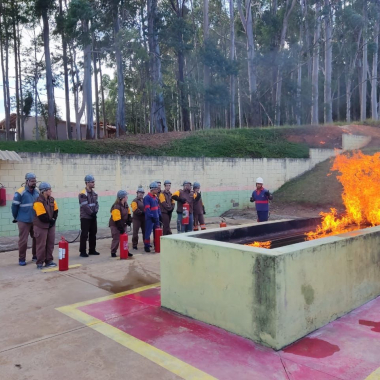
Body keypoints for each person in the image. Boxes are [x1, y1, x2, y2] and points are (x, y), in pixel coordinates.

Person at [11, 172, 39, 266]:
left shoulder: (36, 192)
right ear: (27, 181)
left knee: (36, 238)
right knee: (23, 240)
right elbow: (14, 207)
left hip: (34, 220)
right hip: (23, 220)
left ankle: (35, 256)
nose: (34, 183)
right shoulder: (20, 192)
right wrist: (16, 218)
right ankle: (22, 259)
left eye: (35, 181)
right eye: (32, 181)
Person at [32, 182, 58, 269]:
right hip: (40, 226)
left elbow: (56, 210)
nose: (51, 191)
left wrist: (53, 220)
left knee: (50, 244)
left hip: (50, 225)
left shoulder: (52, 199)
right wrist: (50, 221)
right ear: (44, 191)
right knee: (41, 245)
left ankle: (49, 261)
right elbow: (41, 215)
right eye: (49, 189)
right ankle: (39, 262)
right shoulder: (38, 201)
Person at [78, 175, 99, 257]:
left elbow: (96, 204)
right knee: (84, 234)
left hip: (93, 216)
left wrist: (95, 212)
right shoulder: (82, 194)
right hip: (85, 217)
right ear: (87, 183)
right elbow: (85, 206)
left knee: (93, 233)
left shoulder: (94, 193)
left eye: (94, 182)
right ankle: (82, 251)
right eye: (92, 182)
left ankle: (92, 250)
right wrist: (91, 213)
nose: (94, 183)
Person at [109, 190, 133, 258]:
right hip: (115, 224)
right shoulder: (116, 206)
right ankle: (113, 252)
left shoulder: (125, 204)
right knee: (116, 238)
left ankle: (125, 251)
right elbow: (117, 219)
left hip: (123, 223)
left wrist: (129, 220)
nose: (127, 197)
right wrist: (121, 228)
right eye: (126, 196)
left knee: (124, 238)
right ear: (122, 197)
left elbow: (128, 212)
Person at [143, 182, 161, 253]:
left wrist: (159, 215)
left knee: (157, 232)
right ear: (152, 189)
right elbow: (147, 209)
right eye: (156, 189)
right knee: (148, 232)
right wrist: (151, 216)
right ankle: (146, 246)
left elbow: (158, 207)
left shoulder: (155, 197)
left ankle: (156, 245)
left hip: (156, 218)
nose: (157, 190)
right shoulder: (147, 198)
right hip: (150, 219)